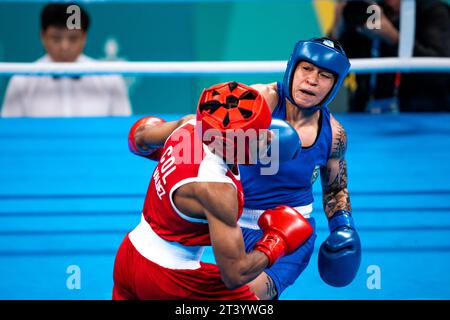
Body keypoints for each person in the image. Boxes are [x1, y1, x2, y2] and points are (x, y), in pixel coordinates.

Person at [130, 38, 362, 299]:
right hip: (231, 217)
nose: (311, 80)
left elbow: (336, 188)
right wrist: (156, 141)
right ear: (292, 68)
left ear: (334, 85)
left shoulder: (334, 134)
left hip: (290, 227)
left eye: (324, 75)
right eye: (306, 69)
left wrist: (343, 226)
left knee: (246, 299)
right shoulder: (259, 102)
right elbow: (204, 128)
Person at [112, 81, 314, 300]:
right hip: (170, 280)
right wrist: (276, 241)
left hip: (128, 256)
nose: (270, 138)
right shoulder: (218, 191)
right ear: (233, 145)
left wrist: (171, 159)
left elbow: (138, 136)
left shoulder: (187, 126)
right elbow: (236, 273)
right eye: (259, 134)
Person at [1, 3, 132, 117]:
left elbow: (122, 131)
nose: (64, 47)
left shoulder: (109, 78)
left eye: (73, 38)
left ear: (84, 37)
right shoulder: (21, 80)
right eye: (56, 38)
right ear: (42, 36)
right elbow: (8, 134)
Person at [333, 0, 450, 112]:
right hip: (363, 113)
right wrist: (337, 30)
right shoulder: (366, 10)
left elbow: (441, 72)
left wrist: (393, 38)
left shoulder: (433, 11)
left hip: (421, 114)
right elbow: (331, 69)